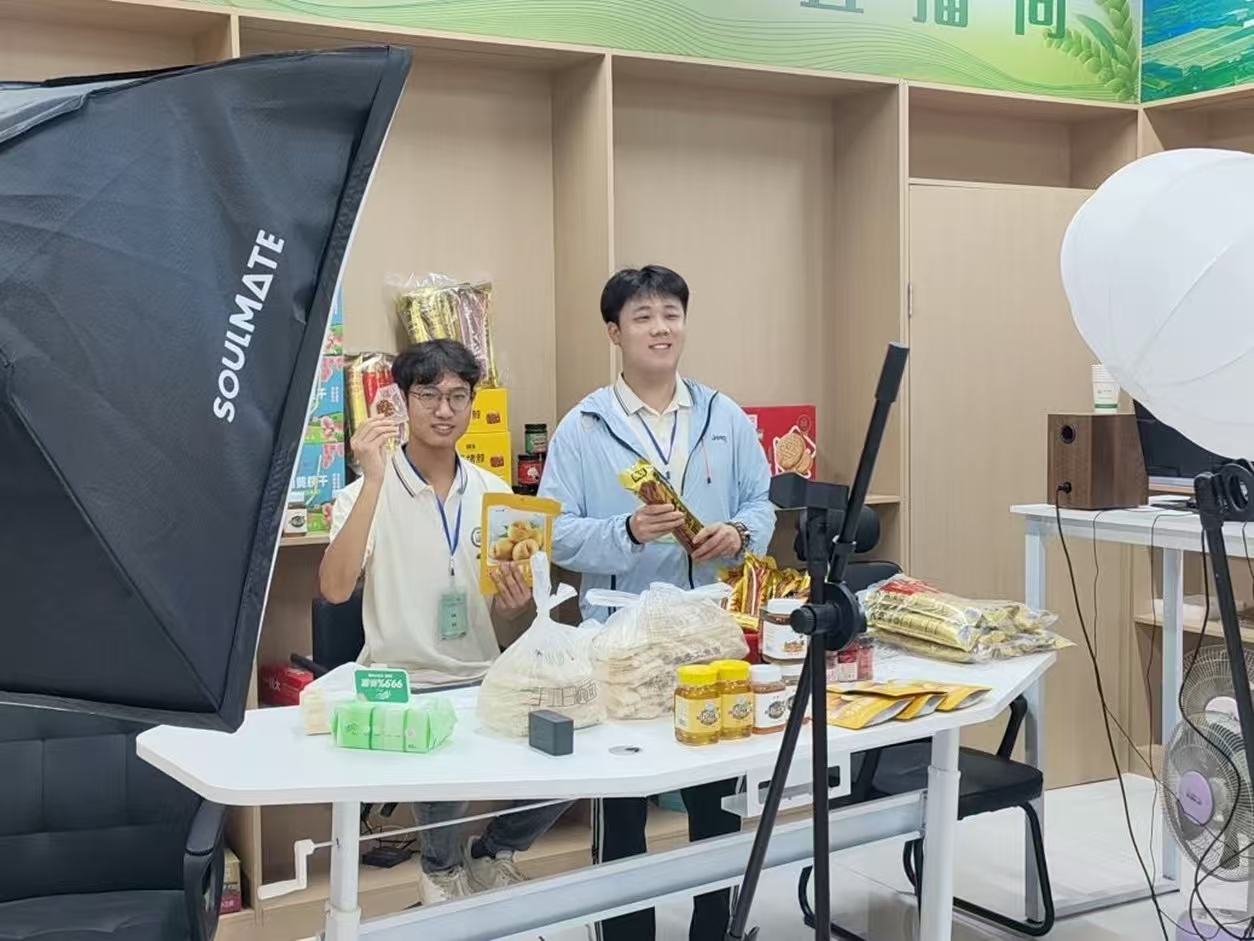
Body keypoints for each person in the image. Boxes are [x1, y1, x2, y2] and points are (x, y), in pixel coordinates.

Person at [538, 265, 776, 941]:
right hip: (619, 645)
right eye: (642, 316)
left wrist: (740, 532)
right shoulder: (584, 426)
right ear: (615, 333)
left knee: (716, 800)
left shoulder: (723, 416)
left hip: (710, 636)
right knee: (623, 809)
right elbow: (554, 531)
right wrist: (627, 531)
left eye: (671, 313)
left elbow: (762, 502)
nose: (660, 328)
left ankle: (716, 930)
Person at [320, 338, 569, 906]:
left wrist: (513, 602)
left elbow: (506, 615)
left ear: (472, 404)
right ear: (402, 401)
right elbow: (333, 589)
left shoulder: (495, 494)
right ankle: (442, 870)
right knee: (439, 756)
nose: (443, 409)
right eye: (428, 394)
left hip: (483, 676)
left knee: (571, 747)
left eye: (458, 396)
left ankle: (493, 850)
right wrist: (374, 479)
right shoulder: (363, 493)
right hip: (401, 683)